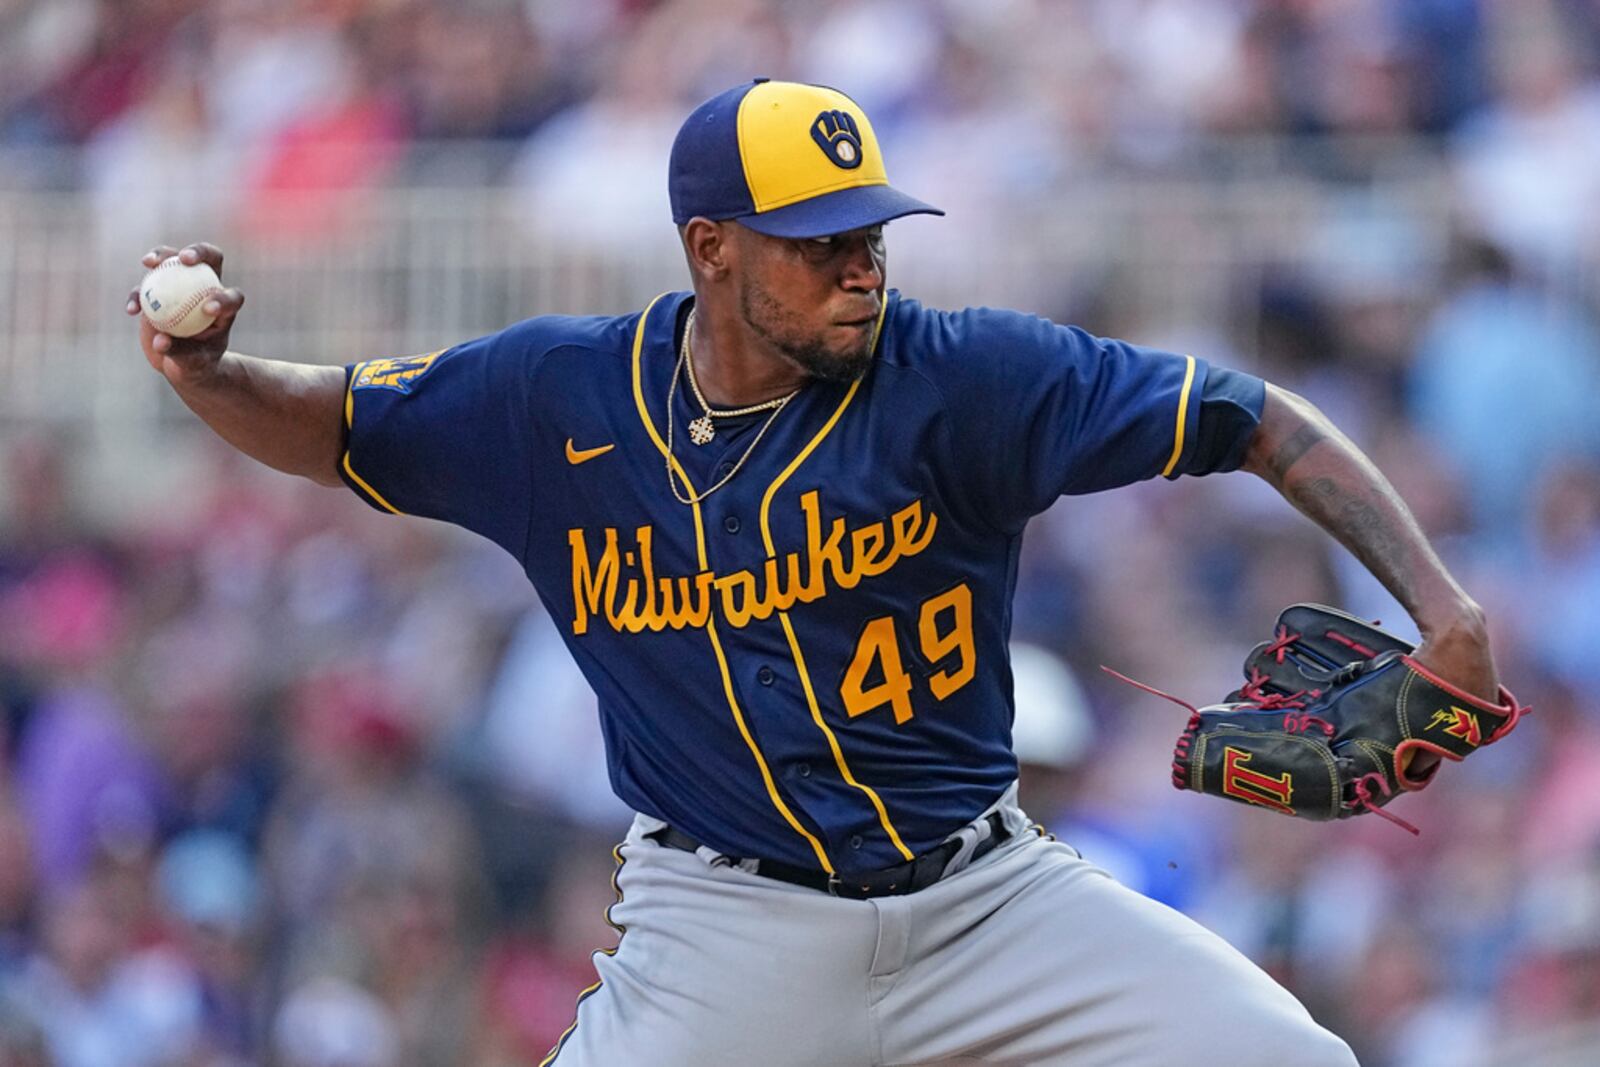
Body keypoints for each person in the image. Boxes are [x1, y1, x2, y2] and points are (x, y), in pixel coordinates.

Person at [126, 79, 1505, 1067]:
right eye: (821, 242)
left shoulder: (962, 376)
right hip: (726, 930)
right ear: (710, 249)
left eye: (872, 234)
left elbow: (1254, 414)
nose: (863, 269)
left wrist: (1442, 611)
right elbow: (332, 421)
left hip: (987, 905)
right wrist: (204, 371)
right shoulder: (556, 397)